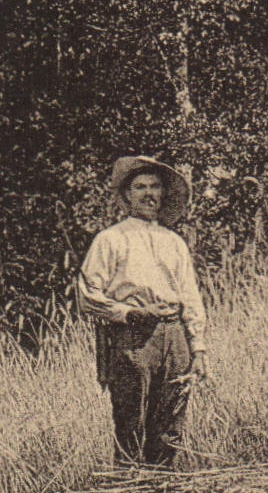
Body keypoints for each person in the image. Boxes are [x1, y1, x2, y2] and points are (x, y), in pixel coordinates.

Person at [76, 156, 210, 468]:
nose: (149, 194)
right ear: (126, 196)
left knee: (170, 424)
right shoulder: (109, 240)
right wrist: (129, 313)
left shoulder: (174, 242)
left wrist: (198, 349)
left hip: (174, 336)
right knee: (130, 422)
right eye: (140, 187)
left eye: (155, 186)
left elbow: (190, 296)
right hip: (133, 339)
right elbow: (87, 296)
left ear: (164, 194)